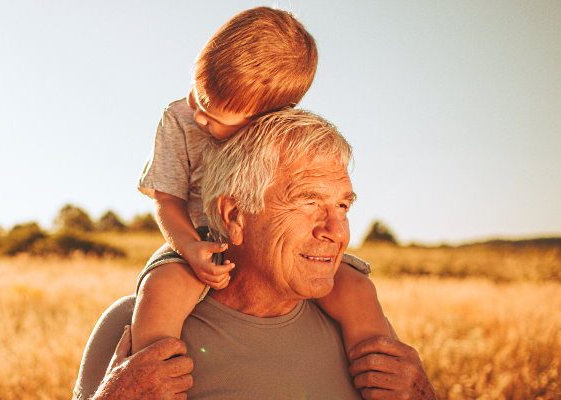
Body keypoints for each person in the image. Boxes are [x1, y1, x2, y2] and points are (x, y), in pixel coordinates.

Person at [75, 109, 436, 399]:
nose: (337, 231)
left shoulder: (359, 328)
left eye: (342, 205)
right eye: (308, 202)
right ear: (234, 216)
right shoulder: (131, 329)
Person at [132, 6, 393, 361]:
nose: (199, 118)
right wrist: (189, 248)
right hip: (197, 238)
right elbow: (166, 198)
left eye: (216, 116)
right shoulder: (177, 120)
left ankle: (383, 368)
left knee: (355, 287)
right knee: (164, 287)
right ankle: (151, 368)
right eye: (198, 96)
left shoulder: (276, 130)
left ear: (267, 113)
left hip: (261, 239)